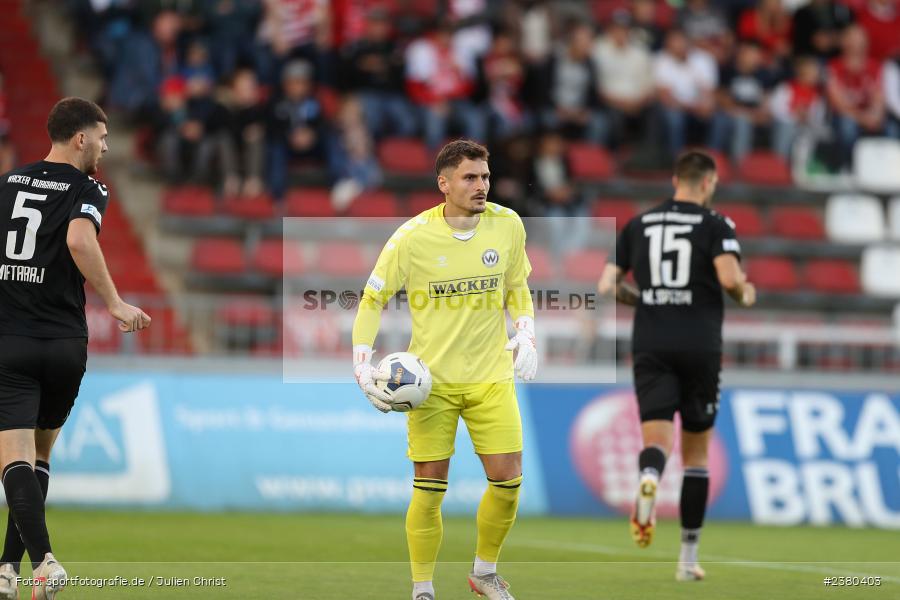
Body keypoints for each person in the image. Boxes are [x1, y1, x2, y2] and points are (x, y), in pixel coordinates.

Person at [352, 140, 536, 600]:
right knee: (430, 489)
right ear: (445, 184)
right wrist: (361, 362)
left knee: (509, 482)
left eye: (486, 177)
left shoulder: (508, 225)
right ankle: (422, 588)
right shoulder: (412, 237)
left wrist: (527, 332)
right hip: (429, 383)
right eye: (470, 178)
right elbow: (372, 299)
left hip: (492, 377)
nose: (481, 186)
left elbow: (518, 286)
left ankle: (485, 573)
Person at [0, 97, 151, 599]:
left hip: (11, 339)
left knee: (14, 459)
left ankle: (42, 562)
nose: (106, 147)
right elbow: (81, 241)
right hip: (64, 342)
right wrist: (113, 301)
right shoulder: (89, 188)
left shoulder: (9, 184)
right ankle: (6, 568)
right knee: (41, 456)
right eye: (103, 138)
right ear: (80, 137)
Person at [597, 151, 756, 582]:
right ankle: (687, 559)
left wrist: (645, 298)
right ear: (708, 183)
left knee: (657, 436)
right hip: (699, 345)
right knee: (697, 454)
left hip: (651, 342)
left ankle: (650, 475)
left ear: (674, 180)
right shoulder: (717, 224)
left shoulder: (638, 224)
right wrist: (746, 292)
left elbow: (608, 286)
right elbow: (728, 279)